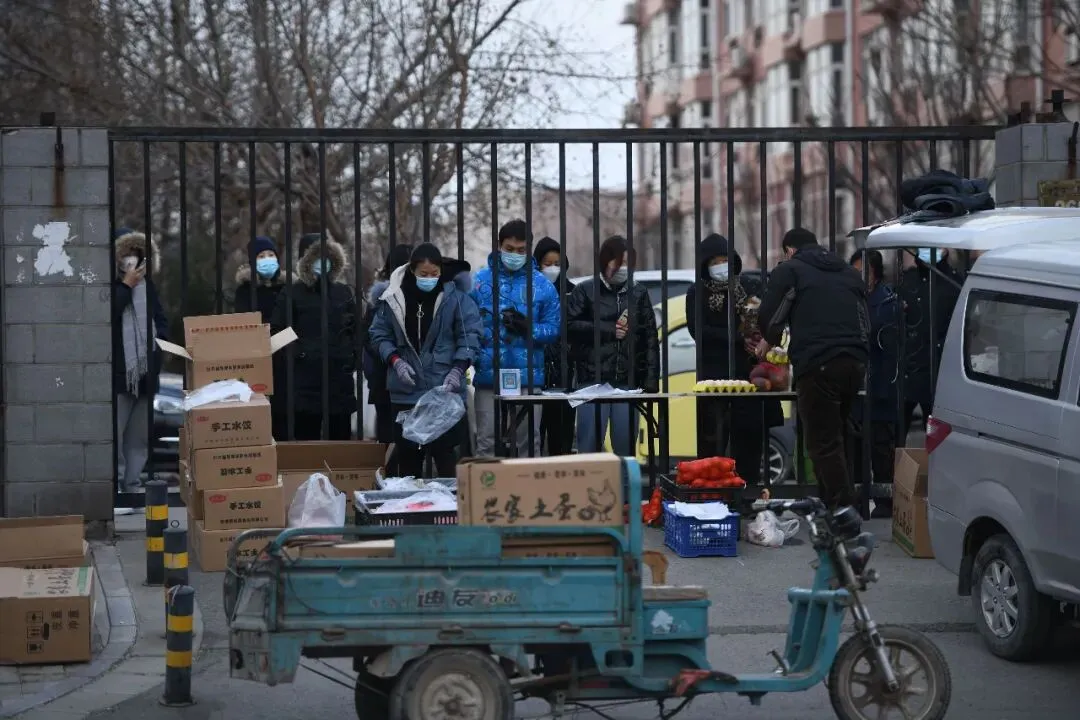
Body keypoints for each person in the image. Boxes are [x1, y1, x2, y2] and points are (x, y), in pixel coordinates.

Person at [756, 228, 869, 510]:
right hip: (854, 362)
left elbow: (770, 315)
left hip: (818, 363)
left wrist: (768, 340)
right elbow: (864, 317)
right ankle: (833, 507)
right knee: (838, 436)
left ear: (790, 250)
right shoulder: (847, 271)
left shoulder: (790, 270)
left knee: (823, 442)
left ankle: (844, 513)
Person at [367, 243, 482, 477]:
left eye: (434, 274)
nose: (429, 279)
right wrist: (395, 360)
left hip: (444, 390)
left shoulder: (456, 299)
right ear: (412, 271)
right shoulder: (393, 298)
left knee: (447, 458)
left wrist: (458, 369)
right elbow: (378, 335)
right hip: (406, 391)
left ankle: (451, 501)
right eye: (423, 274)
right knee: (409, 461)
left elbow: (470, 335)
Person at [685, 234, 783, 484]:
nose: (721, 266)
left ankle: (747, 491)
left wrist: (756, 337)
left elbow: (766, 319)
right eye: (714, 262)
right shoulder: (697, 292)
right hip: (714, 378)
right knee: (713, 440)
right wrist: (737, 338)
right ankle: (713, 493)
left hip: (748, 376)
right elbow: (699, 331)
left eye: (724, 260)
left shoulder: (748, 287)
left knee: (749, 439)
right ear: (705, 265)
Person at [471, 220, 561, 457]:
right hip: (488, 373)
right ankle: (485, 481)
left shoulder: (543, 286)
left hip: (528, 377)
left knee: (529, 443)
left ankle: (529, 482)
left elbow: (554, 329)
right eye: (509, 249)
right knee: (486, 442)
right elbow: (467, 327)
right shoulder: (479, 282)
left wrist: (529, 328)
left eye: (521, 250)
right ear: (499, 246)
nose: (515, 255)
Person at [566, 235, 659, 455]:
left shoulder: (639, 293)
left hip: (627, 383)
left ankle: (625, 479)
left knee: (625, 448)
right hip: (591, 383)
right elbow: (569, 326)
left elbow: (649, 337)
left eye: (628, 263)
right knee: (589, 448)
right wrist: (607, 330)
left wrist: (651, 380)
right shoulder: (585, 290)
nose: (623, 268)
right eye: (618, 262)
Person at [271, 233, 357, 440]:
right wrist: (299, 353)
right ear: (306, 260)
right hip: (305, 383)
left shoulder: (344, 292)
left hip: (338, 381)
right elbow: (277, 331)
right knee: (306, 442)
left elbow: (356, 329)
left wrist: (351, 356)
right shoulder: (292, 293)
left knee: (340, 442)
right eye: (317, 257)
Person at [112, 227, 169, 494]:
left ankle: (132, 486)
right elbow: (109, 315)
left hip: (147, 374)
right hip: (121, 375)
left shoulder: (149, 288)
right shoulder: (112, 287)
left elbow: (161, 320)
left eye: (136, 255)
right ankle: (115, 489)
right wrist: (126, 285)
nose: (132, 260)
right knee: (115, 435)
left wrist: (157, 349)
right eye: (126, 255)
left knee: (138, 438)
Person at [849, 250, 901, 517]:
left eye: (864, 271)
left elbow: (891, 347)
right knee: (856, 447)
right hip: (855, 386)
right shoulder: (849, 299)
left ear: (876, 274)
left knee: (881, 446)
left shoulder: (887, 302)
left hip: (880, 385)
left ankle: (884, 500)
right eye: (855, 271)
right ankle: (858, 499)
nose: (859, 277)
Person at [897, 247, 961, 437]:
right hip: (907, 369)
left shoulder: (953, 282)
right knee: (896, 434)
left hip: (937, 371)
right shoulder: (908, 280)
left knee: (935, 437)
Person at [234, 236, 289, 439]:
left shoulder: (287, 288)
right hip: (256, 358)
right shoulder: (245, 290)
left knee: (284, 415)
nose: (267, 259)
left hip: (285, 358)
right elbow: (244, 321)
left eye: (270, 255)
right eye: (261, 256)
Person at [363, 244, 414, 454]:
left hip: (386, 376)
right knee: (403, 435)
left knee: (390, 435)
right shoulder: (381, 299)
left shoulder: (377, 299)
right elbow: (371, 338)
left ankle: (389, 469)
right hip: (390, 376)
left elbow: (369, 339)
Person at [533, 236, 577, 455]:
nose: (552, 269)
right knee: (534, 436)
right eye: (547, 263)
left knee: (561, 438)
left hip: (565, 376)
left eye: (557, 264)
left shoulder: (573, 292)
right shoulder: (529, 291)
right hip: (536, 373)